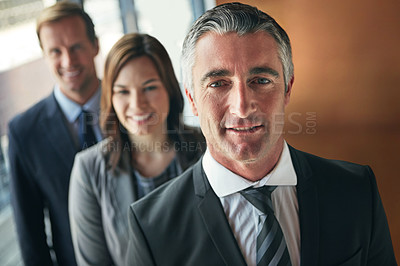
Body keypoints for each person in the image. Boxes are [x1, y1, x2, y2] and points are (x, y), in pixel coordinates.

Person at [125, 2, 397, 266]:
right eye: (218, 84)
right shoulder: (150, 228)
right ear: (192, 98)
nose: (242, 107)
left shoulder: (357, 191)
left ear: (288, 89)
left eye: (261, 81)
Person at [68, 33, 205, 266]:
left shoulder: (208, 149)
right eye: (123, 91)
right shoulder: (89, 170)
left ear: (170, 90)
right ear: (110, 97)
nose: (137, 104)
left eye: (149, 87)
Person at [8, 2, 102, 265]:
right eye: (55, 51)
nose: (68, 61)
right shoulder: (24, 133)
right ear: (44, 55)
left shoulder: (133, 107)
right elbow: (31, 236)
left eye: (76, 47)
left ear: (95, 45)